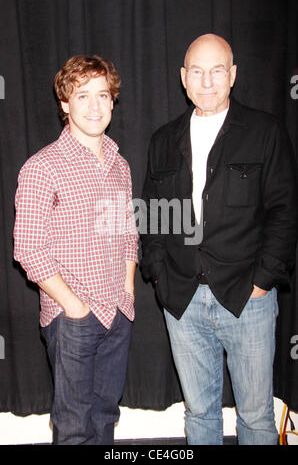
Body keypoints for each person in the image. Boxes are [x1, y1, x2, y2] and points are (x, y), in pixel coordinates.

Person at [141, 34, 297, 445]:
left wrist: (262, 282)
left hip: (248, 299)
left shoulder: (265, 131)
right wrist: (158, 273)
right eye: (197, 71)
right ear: (182, 77)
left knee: (257, 417)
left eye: (216, 70)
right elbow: (152, 216)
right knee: (199, 414)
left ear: (233, 75)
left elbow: (284, 212)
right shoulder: (163, 140)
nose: (206, 81)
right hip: (182, 300)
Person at [13, 55, 138, 445]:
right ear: (65, 104)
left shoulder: (121, 165)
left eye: (103, 95)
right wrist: (74, 307)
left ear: (113, 102)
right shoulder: (41, 167)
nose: (95, 106)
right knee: (73, 429)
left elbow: (129, 232)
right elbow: (29, 249)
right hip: (73, 320)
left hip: (118, 312)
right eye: (82, 96)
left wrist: (128, 291)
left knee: (105, 418)